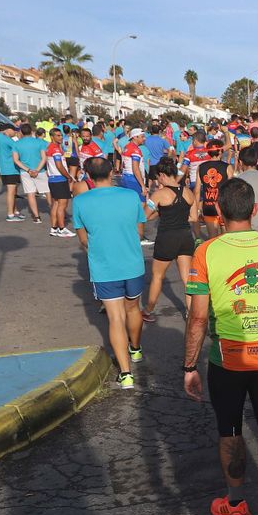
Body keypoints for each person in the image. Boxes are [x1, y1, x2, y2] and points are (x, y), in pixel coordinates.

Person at [182, 179, 258, 515]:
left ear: (218, 211)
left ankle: (235, 505)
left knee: (230, 429)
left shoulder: (206, 251)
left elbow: (198, 316)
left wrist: (189, 366)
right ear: (255, 210)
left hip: (227, 358)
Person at [72, 158, 146, 388]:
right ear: (112, 172)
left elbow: (83, 239)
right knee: (133, 307)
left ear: (88, 176)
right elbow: (140, 230)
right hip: (132, 263)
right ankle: (135, 349)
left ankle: (126, 375)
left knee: (115, 317)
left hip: (104, 266)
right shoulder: (130, 196)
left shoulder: (80, 201)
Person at [142, 160, 198, 323]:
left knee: (158, 276)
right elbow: (194, 217)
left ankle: (148, 310)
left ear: (162, 175)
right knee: (187, 278)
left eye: (158, 177)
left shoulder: (159, 194)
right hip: (185, 237)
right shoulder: (188, 192)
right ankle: (191, 311)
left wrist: (162, 213)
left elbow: (144, 216)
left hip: (167, 237)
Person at [13, 123, 50, 225]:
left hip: (26, 172)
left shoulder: (17, 144)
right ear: (32, 131)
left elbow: (16, 160)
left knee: (30, 194)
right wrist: (37, 170)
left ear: (21, 132)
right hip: (41, 170)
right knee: (47, 192)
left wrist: (28, 170)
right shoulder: (40, 142)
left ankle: (37, 216)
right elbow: (44, 158)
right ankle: (54, 211)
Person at [43, 127, 76, 238]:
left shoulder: (51, 147)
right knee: (62, 205)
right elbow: (59, 165)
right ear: (52, 137)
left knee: (56, 204)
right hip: (59, 179)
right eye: (58, 135)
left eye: (61, 135)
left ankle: (54, 228)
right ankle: (62, 229)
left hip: (53, 179)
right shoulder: (55, 149)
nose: (61, 137)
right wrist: (68, 176)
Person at [0, 124, 21, 209]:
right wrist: (20, 137)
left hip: (4, 166)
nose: (15, 132)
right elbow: (18, 148)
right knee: (11, 192)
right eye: (14, 130)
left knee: (11, 191)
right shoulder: (7, 140)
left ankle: (15, 211)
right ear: (8, 130)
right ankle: (11, 213)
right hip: (10, 168)